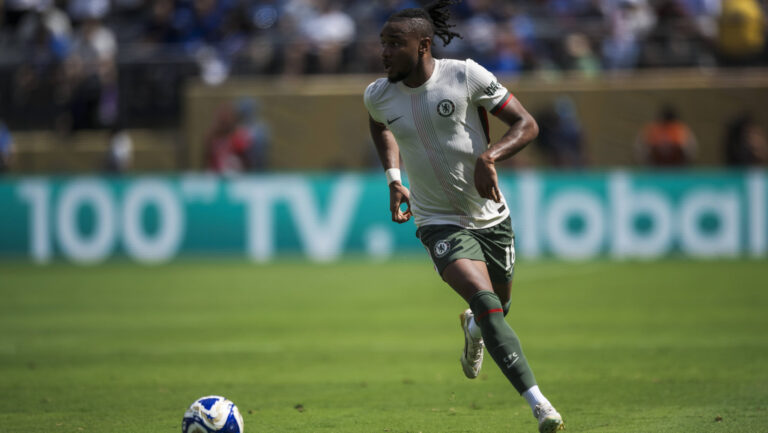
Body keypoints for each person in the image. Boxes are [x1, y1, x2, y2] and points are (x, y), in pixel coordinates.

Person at [363, 1, 564, 432]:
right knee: (488, 304)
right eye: (382, 44)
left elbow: (526, 124)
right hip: (436, 220)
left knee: (499, 308)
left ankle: (474, 329)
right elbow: (378, 124)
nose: (384, 52)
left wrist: (490, 155)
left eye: (394, 44)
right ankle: (540, 405)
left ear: (422, 45)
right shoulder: (379, 94)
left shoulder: (465, 75)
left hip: (490, 217)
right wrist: (394, 177)